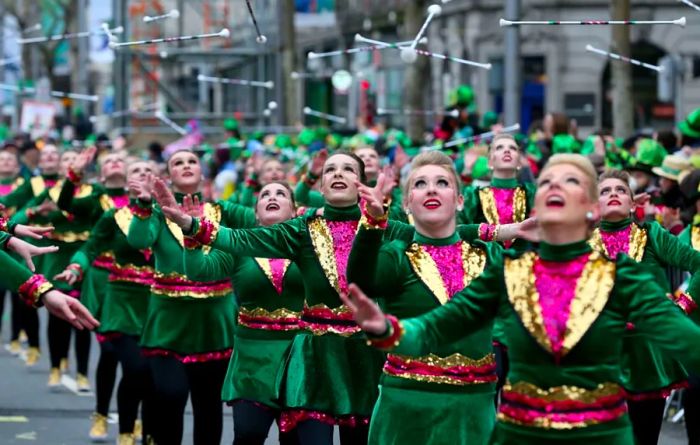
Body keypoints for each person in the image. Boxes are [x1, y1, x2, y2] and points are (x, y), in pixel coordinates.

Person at [161, 151, 524, 445]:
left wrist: (511, 229)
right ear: (320, 185)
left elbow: (446, 230)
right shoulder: (301, 229)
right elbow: (241, 240)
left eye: (348, 169)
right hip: (314, 354)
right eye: (331, 169)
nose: (338, 173)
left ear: (360, 182)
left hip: (364, 354)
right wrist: (193, 226)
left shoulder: (385, 226)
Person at [342, 154, 700, 444]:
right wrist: (388, 330)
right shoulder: (508, 270)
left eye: (571, 183)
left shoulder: (623, 278)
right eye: (547, 184)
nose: (556, 191)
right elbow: (441, 325)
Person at [346, 151, 504, 445]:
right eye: (420, 184)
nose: (431, 189)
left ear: (459, 200)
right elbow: (359, 280)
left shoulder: (489, 255)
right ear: (407, 204)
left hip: (472, 411)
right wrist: (372, 221)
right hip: (406, 408)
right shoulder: (397, 256)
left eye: (442, 182)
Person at [126, 149, 256, 445]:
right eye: (177, 163)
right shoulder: (158, 213)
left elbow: (267, 218)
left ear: (202, 173)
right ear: (169, 175)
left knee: (208, 405)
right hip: (169, 321)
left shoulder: (225, 211)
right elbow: (138, 240)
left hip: (214, 321)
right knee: (169, 396)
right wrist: (144, 205)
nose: (185, 166)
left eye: (191, 162)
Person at [183, 181, 303, 445]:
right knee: (248, 434)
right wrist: (192, 241)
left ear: (294, 210)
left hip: (300, 360)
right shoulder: (239, 245)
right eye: (265, 195)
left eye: (281, 194)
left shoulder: (309, 246)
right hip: (252, 362)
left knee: (293, 439)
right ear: (256, 212)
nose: (272, 197)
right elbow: (200, 271)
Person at [590, 169, 700, 445]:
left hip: (647, 354)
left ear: (632, 202)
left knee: (645, 438)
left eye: (621, 190)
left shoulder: (651, 234)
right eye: (605, 191)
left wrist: (682, 305)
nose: (613, 194)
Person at [56, 160, 156, 445]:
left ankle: (145, 429)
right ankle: (106, 418)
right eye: (136, 171)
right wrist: (76, 267)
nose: (143, 175)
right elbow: (90, 246)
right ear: (127, 181)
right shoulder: (113, 213)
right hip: (118, 298)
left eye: (149, 171)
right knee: (125, 362)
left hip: (158, 303)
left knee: (151, 373)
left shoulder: (172, 216)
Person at [55, 146, 130, 442]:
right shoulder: (96, 197)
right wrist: (75, 174)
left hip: (142, 285)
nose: (114, 163)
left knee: (141, 358)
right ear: (100, 171)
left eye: (118, 159)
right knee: (111, 350)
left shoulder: (149, 204)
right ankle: (100, 413)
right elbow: (65, 203)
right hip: (103, 280)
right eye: (108, 160)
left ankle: (133, 418)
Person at [10, 146, 94, 390]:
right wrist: (37, 211)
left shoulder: (95, 192)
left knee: (83, 314)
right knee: (57, 312)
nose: (71, 165)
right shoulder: (50, 192)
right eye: (66, 161)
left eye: (74, 160)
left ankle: (82, 372)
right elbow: (15, 222)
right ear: (60, 169)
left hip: (83, 255)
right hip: (55, 255)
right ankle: (56, 366)